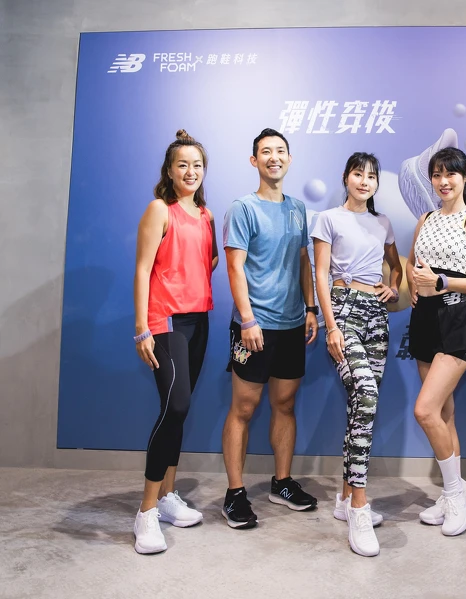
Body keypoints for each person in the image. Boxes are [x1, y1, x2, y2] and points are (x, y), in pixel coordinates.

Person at [221, 128, 319, 529]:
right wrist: (247, 319)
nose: (273, 157)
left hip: (293, 324)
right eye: (266, 152)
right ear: (254, 160)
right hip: (254, 326)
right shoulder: (242, 208)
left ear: (289, 160)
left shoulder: (298, 208)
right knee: (243, 409)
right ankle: (235, 493)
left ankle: (282, 483)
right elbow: (234, 267)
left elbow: (304, 261)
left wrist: (310, 307)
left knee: (285, 405)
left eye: (280, 151)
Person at [312, 152, 403, 557]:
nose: (364, 181)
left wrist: (393, 286)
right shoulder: (328, 219)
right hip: (343, 310)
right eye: (357, 174)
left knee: (358, 406)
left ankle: (345, 499)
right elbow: (320, 274)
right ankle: (360, 509)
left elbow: (396, 268)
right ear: (346, 177)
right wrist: (331, 326)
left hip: (376, 318)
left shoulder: (383, 223)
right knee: (365, 395)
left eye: (371, 176)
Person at [132, 129, 217, 554]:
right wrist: (141, 327)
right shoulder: (159, 210)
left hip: (198, 320)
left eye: (197, 165)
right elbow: (142, 269)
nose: (190, 171)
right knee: (175, 406)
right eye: (182, 164)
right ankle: (146, 512)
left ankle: (167, 496)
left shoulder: (205, 215)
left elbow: (207, 261)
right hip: (164, 321)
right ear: (169, 170)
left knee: (179, 413)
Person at [407, 147, 466, 537]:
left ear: (465, 176)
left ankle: (457, 493)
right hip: (424, 319)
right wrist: (414, 285)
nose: (444, 181)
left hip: (456, 317)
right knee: (444, 414)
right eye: (437, 175)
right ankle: (452, 491)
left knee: (425, 410)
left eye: (451, 174)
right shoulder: (425, 218)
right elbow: (413, 263)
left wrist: (440, 282)